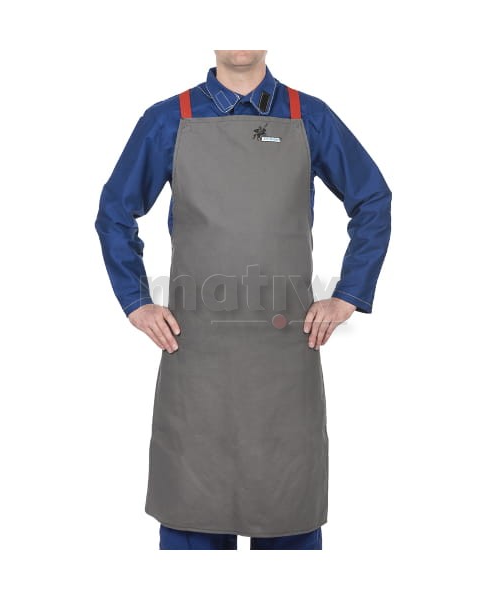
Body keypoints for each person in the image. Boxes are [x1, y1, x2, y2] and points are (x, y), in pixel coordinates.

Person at [95, 50, 391, 550]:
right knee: (192, 521)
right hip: (195, 360)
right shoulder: (169, 119)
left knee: (289, 519)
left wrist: (348, 296)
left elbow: (373, 200)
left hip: (285, 362)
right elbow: (114, 214)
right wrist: (136, 300)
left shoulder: (308, 116)